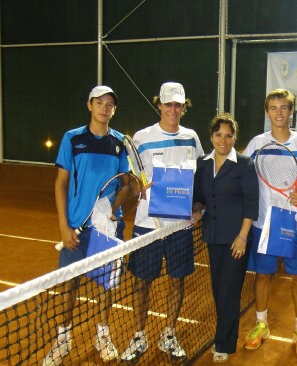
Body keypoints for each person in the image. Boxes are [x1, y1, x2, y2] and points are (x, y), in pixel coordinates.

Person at [120, 82, 204, 362]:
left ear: (184, 106)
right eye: (168, 104)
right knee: (142, 282)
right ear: (159, 105)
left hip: (179, 226)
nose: (173, 109)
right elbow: (131, 181)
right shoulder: (142, 138)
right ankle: (139, 334)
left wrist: (198, 207)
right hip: (147, 226)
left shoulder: (192, 137)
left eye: (178, 104)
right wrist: (137, 187)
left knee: (177, 281)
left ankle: (169, 332)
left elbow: (199, 179)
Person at [45, 85, 126, 365]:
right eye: (100, 102)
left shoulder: (120, 143)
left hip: (107, 229)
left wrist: (112, 211)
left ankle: (102, 334)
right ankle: (63, 338)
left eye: (110, 104)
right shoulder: (72, 138)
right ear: (89, 105)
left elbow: (126, 184)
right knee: (70, 285)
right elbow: (61, 183)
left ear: (114, 110)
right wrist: (64, 227)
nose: (105, 108)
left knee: (106, 287)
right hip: (76, 226)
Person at [242, 89, 297, 358]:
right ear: (267, 112)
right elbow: (241, 170)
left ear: (291, 111)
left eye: (284, 107)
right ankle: (261, 325)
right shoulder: (256, 143)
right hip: (264, 222)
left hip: (295, 223)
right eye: (273, 108)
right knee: (263, 275)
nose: (279, 113)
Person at [192, 113, 259, 363]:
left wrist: (242, 237)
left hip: (237, 240)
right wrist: (196, 210)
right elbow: (199, 196)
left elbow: (252, 204)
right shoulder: (203, 163)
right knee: (218, 290)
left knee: (229, 292)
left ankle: (224, 344)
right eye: (218, 134)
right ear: (211, 136)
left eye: (228, 135)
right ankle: (224, 337)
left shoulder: (244, 164)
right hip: (212, 235)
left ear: (234, 137)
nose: (223, 140)